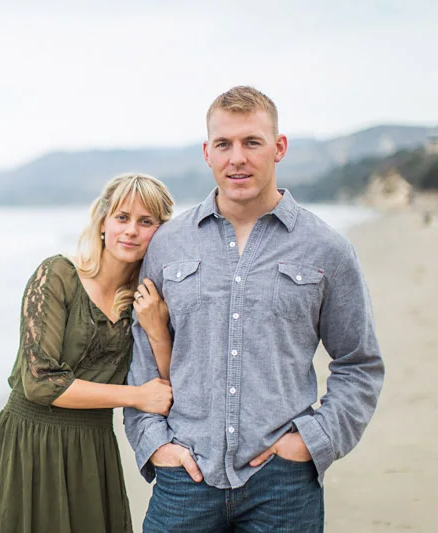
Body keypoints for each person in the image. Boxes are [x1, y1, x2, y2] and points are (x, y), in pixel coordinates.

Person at [125, 86, 385, 532]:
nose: (237, 158)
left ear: (278, 148)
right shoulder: (169, 244)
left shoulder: (327, 249)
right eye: (224, 144)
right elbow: (143, 352)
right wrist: (154, 445)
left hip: (283, 484)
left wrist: (312, 441)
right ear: (208, 152)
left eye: (252, 142)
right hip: (184, 476)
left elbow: (359, 365)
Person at [0, 173, 175, 533]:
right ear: (102, 223)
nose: (131, 230)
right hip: (31, 444)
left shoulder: (150, 299)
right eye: (122, 217)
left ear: (161, 232)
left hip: (93, 450)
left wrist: (158, 331)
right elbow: (40, 383)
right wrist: (136, 396)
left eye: (146, 221)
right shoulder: (57, 275)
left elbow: (167, 388)